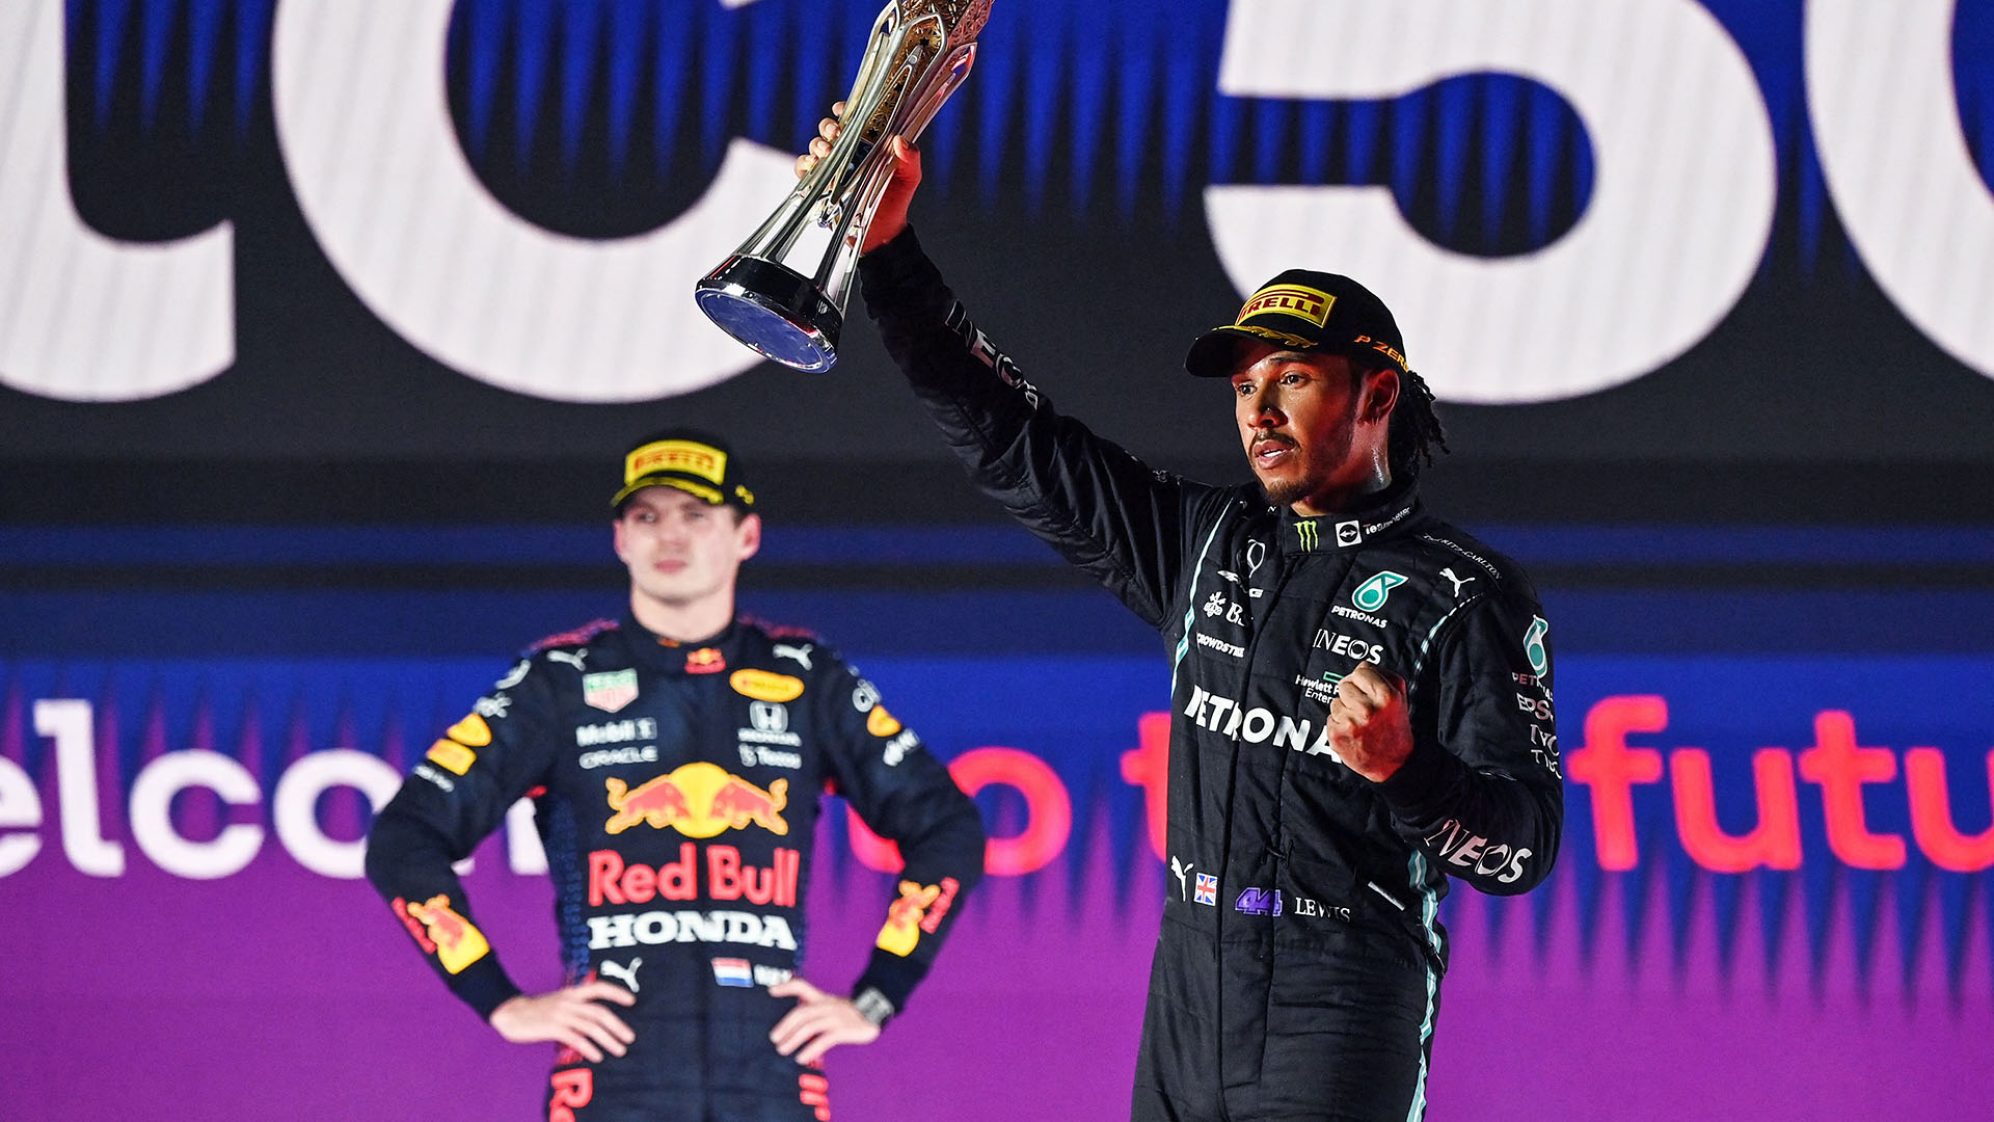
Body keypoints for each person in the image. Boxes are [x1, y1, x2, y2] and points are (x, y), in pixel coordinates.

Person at [798, 121, 1562, 1120]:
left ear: (1377, 392)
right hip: (1188, 995)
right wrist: (887, 251)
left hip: (1340, 1000)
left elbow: (1523, 850)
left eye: (1291, 378)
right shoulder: (1205, 542)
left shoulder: (1464, 592)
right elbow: (1010, 439)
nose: (1258, 411)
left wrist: (1407, 769)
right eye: (1245, 386)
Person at [364, 428, 986, 1122]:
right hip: (611, 1080)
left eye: (696, 514)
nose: (670, 536)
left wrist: (879, 994)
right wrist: (497, 998)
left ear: (747, 535)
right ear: (620, 539)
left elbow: (948, 827)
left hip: (773, 1080)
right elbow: (405, 839)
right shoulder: (559, 682)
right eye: (647, 516)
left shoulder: (808, 679)